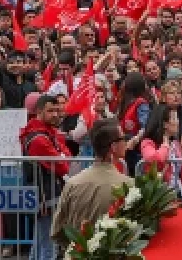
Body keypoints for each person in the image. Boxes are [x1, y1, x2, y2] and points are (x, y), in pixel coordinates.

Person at [51, 121, 132, 248]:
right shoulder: (128, 185)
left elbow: (57, 230)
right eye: (123, 138)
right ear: (114, 147)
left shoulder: (73, 183)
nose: (126, 142)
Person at [18, 94, 70, 260]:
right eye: (50, 111)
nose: (55, 114)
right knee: (47, 245)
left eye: (57, 110)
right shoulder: (39, 139)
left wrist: (62, 154)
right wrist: (61, 154)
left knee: (41, 241)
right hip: (45, 196)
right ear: (39, 112)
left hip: (46, 195)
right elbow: (63, 166)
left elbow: (66, 156)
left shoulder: (46, 133)